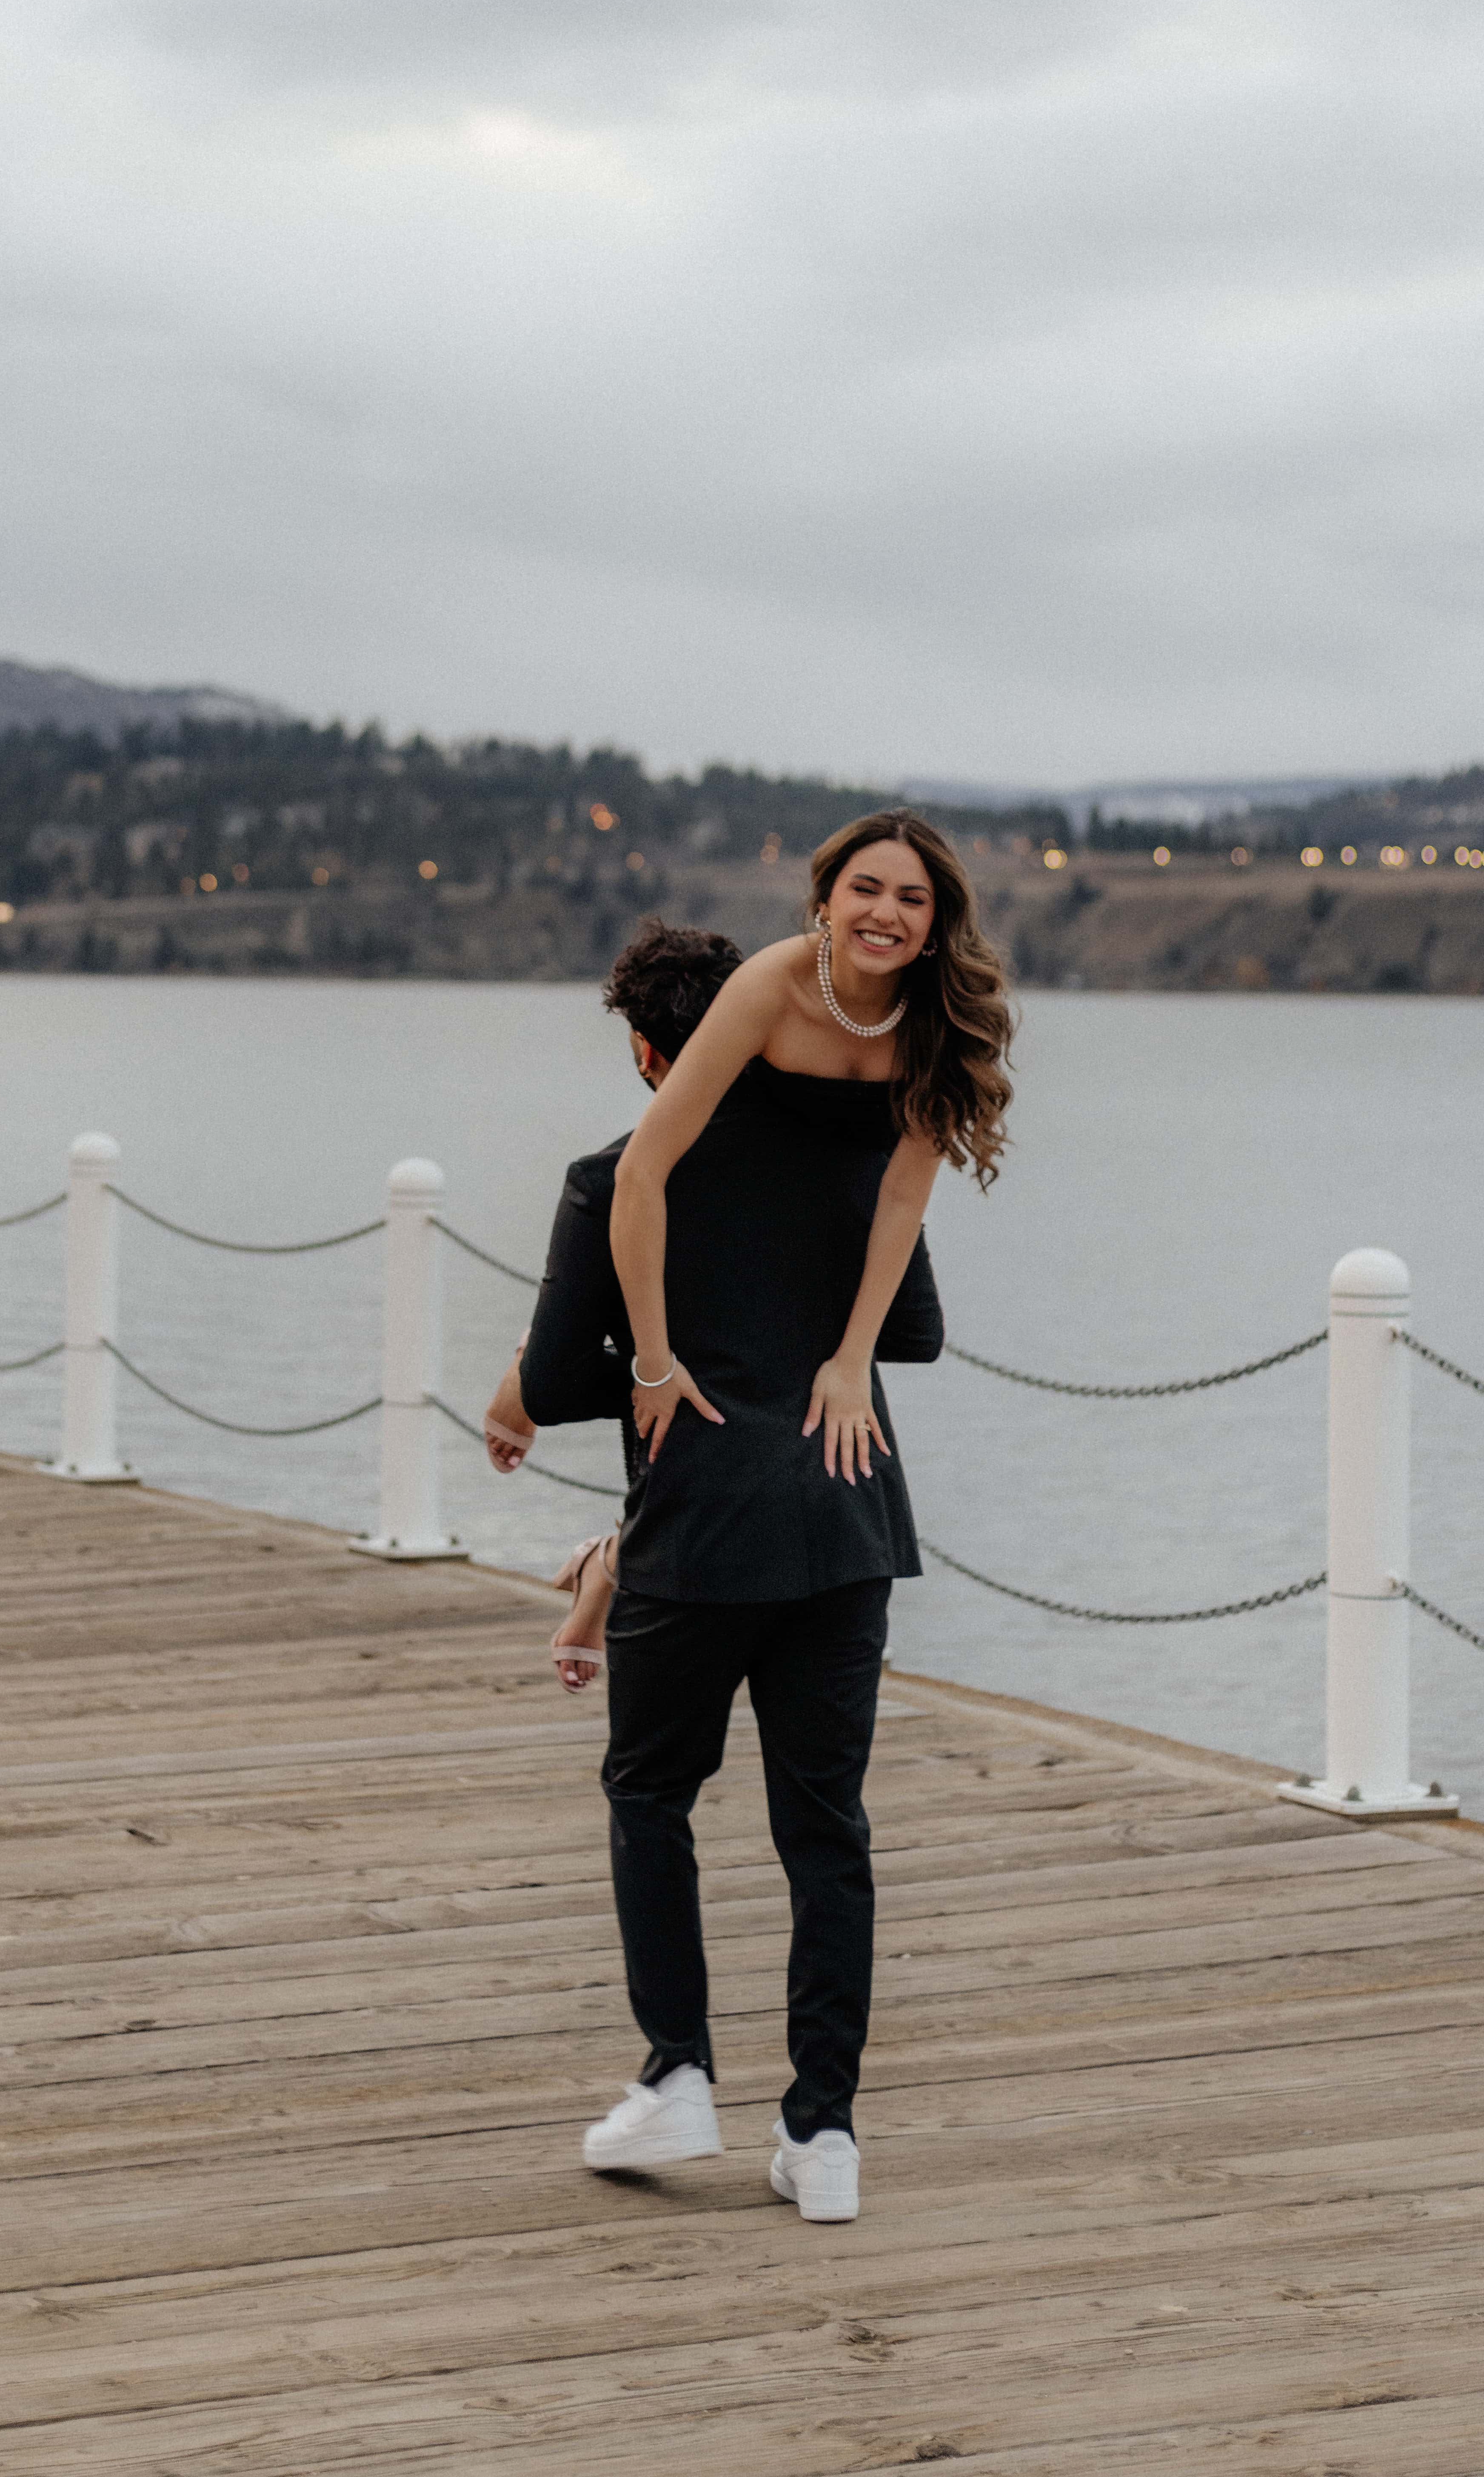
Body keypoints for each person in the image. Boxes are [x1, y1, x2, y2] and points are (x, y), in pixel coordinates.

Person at [577, 810, 1012, 2224]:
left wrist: (847, 1359)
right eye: (863, 889)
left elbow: (898, 1204)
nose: (885, 913)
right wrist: (653, 1355)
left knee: (658, 1789)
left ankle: (708, 2088)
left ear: (935, 924)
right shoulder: (767, 989)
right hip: (815, 1494)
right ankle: (808, 2132)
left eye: (911, 899)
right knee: (824, 1824)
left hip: (755, 1481)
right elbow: (649, 1170)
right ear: (822, 900)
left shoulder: (933, 1036)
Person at [485, 915, 945, 1688]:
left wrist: (568, 1360)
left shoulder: (607, 1181)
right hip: (839, 1512)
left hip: (693, 1522)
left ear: (644, 1050)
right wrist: (818, 1350)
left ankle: (614, 1558)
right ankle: (611, 1559)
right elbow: (919, 1331)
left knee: (649, 1790)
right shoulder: (856, 1160)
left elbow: (557, 1385)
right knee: (823, 1805)